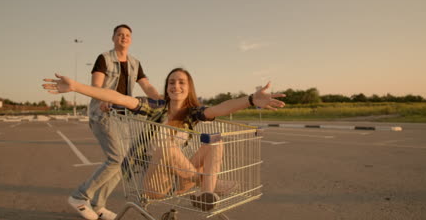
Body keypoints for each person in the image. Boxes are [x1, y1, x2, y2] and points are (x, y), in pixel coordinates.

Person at [43, 68, 285, 212]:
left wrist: (251, 99)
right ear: (167, 87)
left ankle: (206, 193)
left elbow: (222, 108)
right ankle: (206, 183)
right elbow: (116, 95)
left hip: (180, 178)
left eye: (181, 82)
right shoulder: (153, 109)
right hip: (153, 183)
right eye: (171, 82)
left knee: (216, 141)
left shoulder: (192, 114)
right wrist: (76, 86)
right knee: (165, 146)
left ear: (188, 88)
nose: (175, 86)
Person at [67, 24, 162, 220]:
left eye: (127, 35)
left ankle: (99, 206)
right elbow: (96, 84)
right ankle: (79, 196)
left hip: (123, 118)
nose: (123, 37)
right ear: (113, 38)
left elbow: (146, 85)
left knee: (124, 162)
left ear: (131, 40)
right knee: (116, 158)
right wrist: (103, 99)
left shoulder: (135, 63)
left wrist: (161, 101)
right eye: (119, 34)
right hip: (103, 115)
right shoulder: (104, 58)